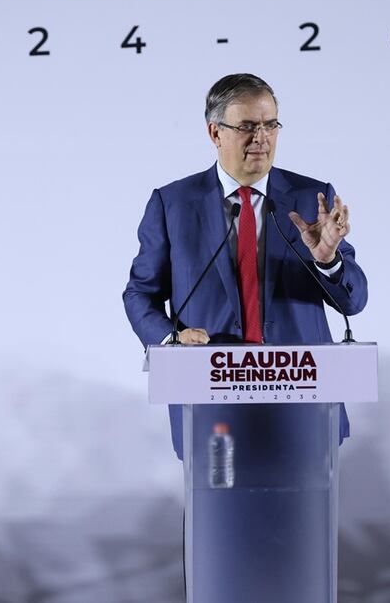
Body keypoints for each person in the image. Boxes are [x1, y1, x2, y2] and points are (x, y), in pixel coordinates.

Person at [122, 72, 368, 457]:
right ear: (215, 133)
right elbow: (140, 294)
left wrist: (329, 260)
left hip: (303, 404)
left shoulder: (311, 199)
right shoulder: (173, 204)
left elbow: (353, 301)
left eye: (271, 125)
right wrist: (172, 341)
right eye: (248, 126)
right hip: (209, 404)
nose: (262, 138)